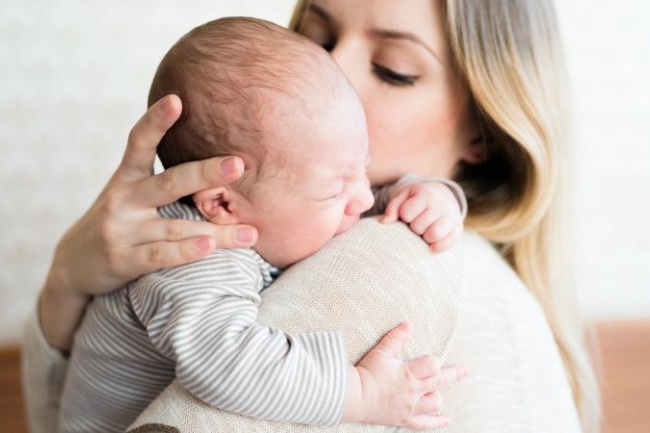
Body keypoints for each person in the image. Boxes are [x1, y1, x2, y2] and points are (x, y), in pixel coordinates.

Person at [22, 0, 601, 432]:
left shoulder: (394, 255)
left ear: (482, 130)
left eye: (394, 68)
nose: (332, 72)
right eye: (314, 35)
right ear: (223, 201)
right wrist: (70, 280)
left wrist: (437, 195)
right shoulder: (203, 255)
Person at [56, 17, 468, 433]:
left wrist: (428, 194)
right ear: (222, 204)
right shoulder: (193, 258)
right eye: (336, 188)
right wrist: (362, 392)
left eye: (363, 168)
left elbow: (354, 194)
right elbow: (228, 365)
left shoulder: (289, 195)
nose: (364, 198)